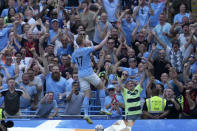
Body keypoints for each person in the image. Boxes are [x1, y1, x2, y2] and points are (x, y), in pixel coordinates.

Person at [71, 32, 111, 124]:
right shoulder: (86, 49)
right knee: (101, 86)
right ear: (82, 42)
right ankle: (102, 108)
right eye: (85, 39)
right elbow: (100, 45)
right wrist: (107, 36)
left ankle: (86, 114)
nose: (87, 40)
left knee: (87, 95)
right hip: (89, 72)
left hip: (81, 75)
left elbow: (73, 65)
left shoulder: (74, 53)